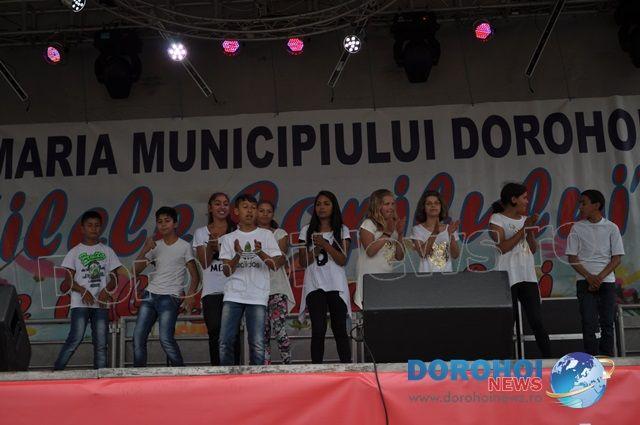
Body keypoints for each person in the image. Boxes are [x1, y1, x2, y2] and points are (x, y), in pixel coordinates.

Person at [54, 210, 123, 370]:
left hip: (101, 305)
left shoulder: (107, 251)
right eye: (90, 225)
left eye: (97, 225)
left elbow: (114, 278)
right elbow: (68, 281)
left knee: (101, 343)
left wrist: (106, 290)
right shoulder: (74, 252)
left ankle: (100, 376)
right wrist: (83, 291)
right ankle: (56, 372)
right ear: (82, 228)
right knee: (75, 338)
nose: (94, 228)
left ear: (101, 228)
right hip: (80, 304)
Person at [219, 194, 284, 366]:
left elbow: (276, 265)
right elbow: (227, 271)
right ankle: (226, 378)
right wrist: (237, 255)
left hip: (257, 296)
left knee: (257, 344)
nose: (250, 211)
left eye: (253, 208)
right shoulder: (228, 238)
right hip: (233, 295)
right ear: (236, 211)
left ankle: (257, 378)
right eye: (245, 207)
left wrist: (260, 252)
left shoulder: (266, 235)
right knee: (225, 341)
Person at [489, 183, 551, 358]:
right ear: (513, 199)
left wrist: (529, 230)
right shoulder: (497, 218)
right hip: (507, 276)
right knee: (509, 321)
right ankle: (505, 361)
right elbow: (502, 247)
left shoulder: (525, 219)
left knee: (537, 320)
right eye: (524, 197)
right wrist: (524, 228)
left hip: (527, 276)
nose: (527, 201)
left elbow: (533, 249)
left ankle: (550, 360)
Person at [132, 206, 200, 367]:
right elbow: (135, 271)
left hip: (170, 297)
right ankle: (138, 374)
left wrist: (189, 297)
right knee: (138, 337)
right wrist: (145, 249)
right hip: (150, 294)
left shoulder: (184, 246)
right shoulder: (155, 245)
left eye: (167, 221)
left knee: (165, 338)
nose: (163, 224)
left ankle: (180, 373)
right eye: (160, 222)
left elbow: (195, 276)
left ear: (175, 224)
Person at [566, 189, 624, 357]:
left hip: (607, 281)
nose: (580, 207)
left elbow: (617, 258)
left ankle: (607, 357)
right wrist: (589, 277)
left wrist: (599, 277)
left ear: (596, 205)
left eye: (583, 203)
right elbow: (572, 257)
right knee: (588, 322)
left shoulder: (611, 227)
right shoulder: (577, 228)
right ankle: (590, 358)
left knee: (607, 322)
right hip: (584, 281)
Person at [298, 191, 352, 364]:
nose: (322, 207)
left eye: (326, 203)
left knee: (339, 328)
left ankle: (347, 367)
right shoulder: (306, 230)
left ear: (333, 207)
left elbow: (342, 260)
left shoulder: (342, 230)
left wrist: (325, 245)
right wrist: (316, 249)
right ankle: (316, 369)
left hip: (336, 285)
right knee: (318, 328)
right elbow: (303, 262)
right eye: (318, 204)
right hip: (315, 285)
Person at [192, 192, 240, 365]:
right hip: (211, 290)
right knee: (214, 330)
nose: (222, 207)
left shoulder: (236, 230)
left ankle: (235, 370)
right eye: (218, 203)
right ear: (210, 207)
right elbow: (204, 263)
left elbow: (240, 260)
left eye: (226, 204)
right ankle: (216, 370)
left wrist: (222, 249)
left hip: (233, 289)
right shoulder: (201, 232)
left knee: (232, 333)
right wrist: (211, 247)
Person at [257, 200, 296, 364]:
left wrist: (259, 252)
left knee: (279, 329)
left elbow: (278, 262)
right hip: (257, 290)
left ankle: (288, 365)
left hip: (277, 288)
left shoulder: (280, 233)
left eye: (269, 211)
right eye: (261, 210)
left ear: (273, 214)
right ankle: (265, 368)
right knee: (262, 333)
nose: (265, 214)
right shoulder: (248, 235)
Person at [354, 189, 405, 309]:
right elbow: (370, 251)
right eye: (386, 204)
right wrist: (387, 233)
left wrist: (400, 234)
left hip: (386, 278)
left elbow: (399, 256)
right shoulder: (368, 224)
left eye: (393, 204)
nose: (391, 207)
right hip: (370, 278)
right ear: (377, 206)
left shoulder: (392, 227)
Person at [410, 190, 460, 273]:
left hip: (447, 276)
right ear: (423, 208)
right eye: (429, 203)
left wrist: (451, 234)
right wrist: (434, 233)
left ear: (441, 207)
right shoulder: (417, 229)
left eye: (436, 203)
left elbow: (455, 255)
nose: (433, 205)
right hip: (426, 277)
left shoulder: (449, 228)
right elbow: (423, 253)